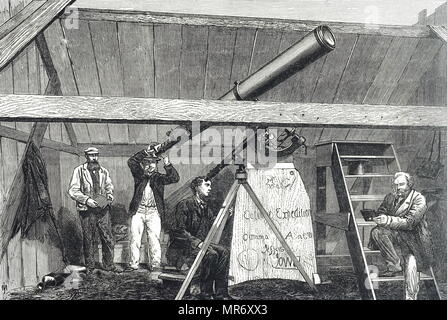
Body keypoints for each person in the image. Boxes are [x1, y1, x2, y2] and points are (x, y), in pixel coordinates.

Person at [368, 172, 434, 300]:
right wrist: (376, 217)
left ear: (409, 184)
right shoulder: (390, 197)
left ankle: (411, 297)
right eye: (396, 185)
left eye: (402, 184)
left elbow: (410, 223)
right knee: (377, 231)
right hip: (396, 235)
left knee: (411, 269)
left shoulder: (418, 199)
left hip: (413, 240)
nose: (398, 188)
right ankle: (394, 266)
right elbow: (383, 211)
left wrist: (387, 220)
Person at [167, 176, 234, 300]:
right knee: (211, 254)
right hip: (183, 250)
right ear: (197, 188)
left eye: (210, 185)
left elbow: (214, 224)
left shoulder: (204, 206)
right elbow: (178, 231)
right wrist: (197, 243)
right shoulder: (184, 204)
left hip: (200, 245)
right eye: (207, 185)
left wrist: (226, 217)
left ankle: (221, 294)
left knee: (225, 251)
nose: (210, 188)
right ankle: (206, 293)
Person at [127, 143, 179, 271]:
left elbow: (174, 178)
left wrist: (167, 162)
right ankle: (133, 264)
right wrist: (146, 151)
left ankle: (155, 264)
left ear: (156, 165)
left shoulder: (159, 178)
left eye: (153, 163)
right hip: (138, 212)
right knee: (135, 238)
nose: (150, 166)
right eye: (146, 163)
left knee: (154, 239)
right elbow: (132, 161)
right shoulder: (138, 175)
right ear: (143, 165)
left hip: (154, 212)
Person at [68, 147, 118, 272]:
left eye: (96, 155)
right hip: (87, 209)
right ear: (86, 156)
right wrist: (87, 200)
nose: (94, 158)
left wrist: (110, 196)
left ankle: (109, 265)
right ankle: (90, 266)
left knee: (107, 237)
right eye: (91, 155)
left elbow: (109, 186)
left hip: (102, 209)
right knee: (88, 238)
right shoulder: (79, 171)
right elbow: (73, 191)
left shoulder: (104, 171)